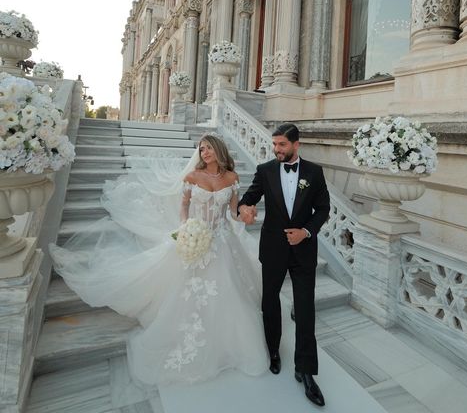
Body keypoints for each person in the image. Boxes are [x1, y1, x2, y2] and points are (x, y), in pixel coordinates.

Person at [49, 134, 267, 386]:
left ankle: (230, 341)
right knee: (189, 291)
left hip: (224, 241)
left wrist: (246, 217)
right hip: (195, 236)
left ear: (219, 150)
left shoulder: (232, 179)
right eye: (201, 149)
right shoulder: (192, 177)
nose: (205, 152)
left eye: (209, 148)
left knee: (229, 289)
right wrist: (186, 228)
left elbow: (232, 212)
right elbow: (184, 205)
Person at [239, 122, 330, 407]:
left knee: (305, 308)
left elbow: (324, 208)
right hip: (274, 248)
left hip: (303, 250)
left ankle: (305, 369)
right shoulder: (265, 170)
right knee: (270, 301)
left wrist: (306, 232)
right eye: (274, 144)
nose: (276, 149)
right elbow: (248, 197)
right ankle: (273, 350)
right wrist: (244, 208)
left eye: (281, 145)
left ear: (295, 145)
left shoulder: (314, 172)